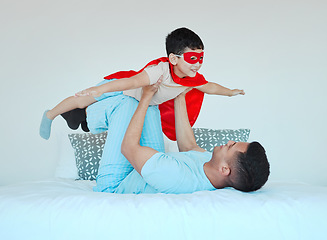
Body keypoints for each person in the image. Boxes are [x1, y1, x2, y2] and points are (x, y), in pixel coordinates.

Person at [39, 27, 244, 141]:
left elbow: (210, 87)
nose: (198, 63)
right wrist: (99, 89)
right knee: (82, 99)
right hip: (120, 87)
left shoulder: (192, 79)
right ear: (173, 59)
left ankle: (78, 118)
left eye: (201, 57)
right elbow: (131, 81)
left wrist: (230, 92)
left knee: (88, 120)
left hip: (135, 103)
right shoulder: (159, 71)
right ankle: (51, 114)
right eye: (192, 58)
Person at [116, 84, 270, 194]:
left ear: (224, 169)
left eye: (232, 146)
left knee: (127, 101)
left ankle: (92, 120)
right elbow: (189, 147)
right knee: (152, 106)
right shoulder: (211, 165)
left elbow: (128, 148)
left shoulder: (178, 176)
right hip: (139, 167)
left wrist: (145, 96)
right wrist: (180, 95)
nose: (229, 142)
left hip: (118, 181)